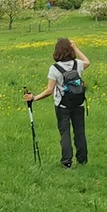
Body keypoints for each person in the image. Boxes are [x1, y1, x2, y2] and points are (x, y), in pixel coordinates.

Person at [24, 38, 90, 168]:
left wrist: (34, 98)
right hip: (79, 104)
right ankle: (82, 160)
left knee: (65, 133)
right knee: (80, 132)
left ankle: (67, 162)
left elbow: (50, 90)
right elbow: (88, 61)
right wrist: (76, 48)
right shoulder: (78, 64)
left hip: (62, 106)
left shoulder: (54, 69)